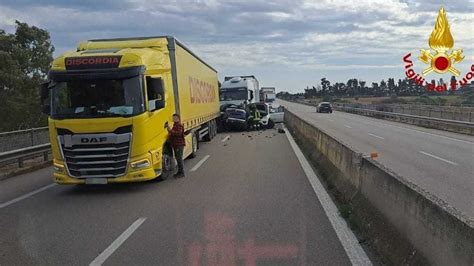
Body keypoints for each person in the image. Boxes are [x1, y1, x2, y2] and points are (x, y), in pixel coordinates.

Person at [167, 114, 185, 178]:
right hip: (176, 144)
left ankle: (182, 173)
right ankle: (179, 172)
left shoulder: (179, 125)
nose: (173, 119)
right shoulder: (175, 125)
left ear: (178, 118)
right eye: (173, 118)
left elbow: (179, 133)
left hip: (179, 144)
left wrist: (170, 131)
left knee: (179, 159)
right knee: (177, 158)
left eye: (174, 118)